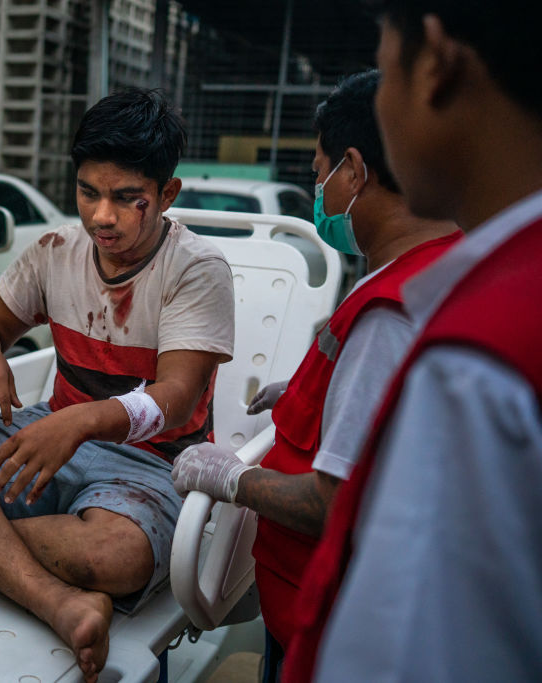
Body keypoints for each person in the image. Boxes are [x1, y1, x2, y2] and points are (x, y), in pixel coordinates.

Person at [0, 87, 236, 681]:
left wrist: (81, 420)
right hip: (52, 434)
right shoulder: (56, 250)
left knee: (115, 556)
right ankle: (57, 601)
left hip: (151, 461)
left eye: (124, 198)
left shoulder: (197, 269)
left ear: (166, 194)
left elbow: (176, 398)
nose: (100, 216)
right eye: (88, 192)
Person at [170, 69, 460, 679]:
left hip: (322, 623)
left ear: (355, 170)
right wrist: (308, 393)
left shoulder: (390, 311)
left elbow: (337, 505)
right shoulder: (436, 270)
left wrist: (231, 479)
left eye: (320, 170)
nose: (319, 190)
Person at [281, 2, 542, 680]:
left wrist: (229, 478)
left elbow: (406, 649)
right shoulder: (486, 290)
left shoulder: (476, 363)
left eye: (386, 63)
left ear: (434, 63)